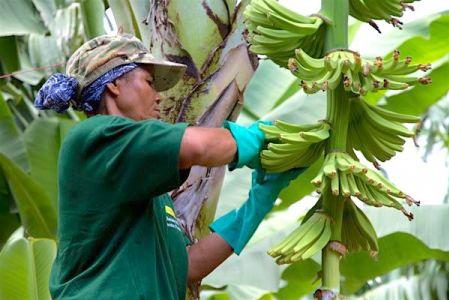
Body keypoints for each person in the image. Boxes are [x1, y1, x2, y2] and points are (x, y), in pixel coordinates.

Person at [34, 34, 304, 300]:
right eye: (150, 82)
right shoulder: (95, 136)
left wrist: (258, 202)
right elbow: (199, 147)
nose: (160, 97)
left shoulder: (144, 187)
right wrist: (256, 138)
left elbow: (188, 266)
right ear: (115, 84)